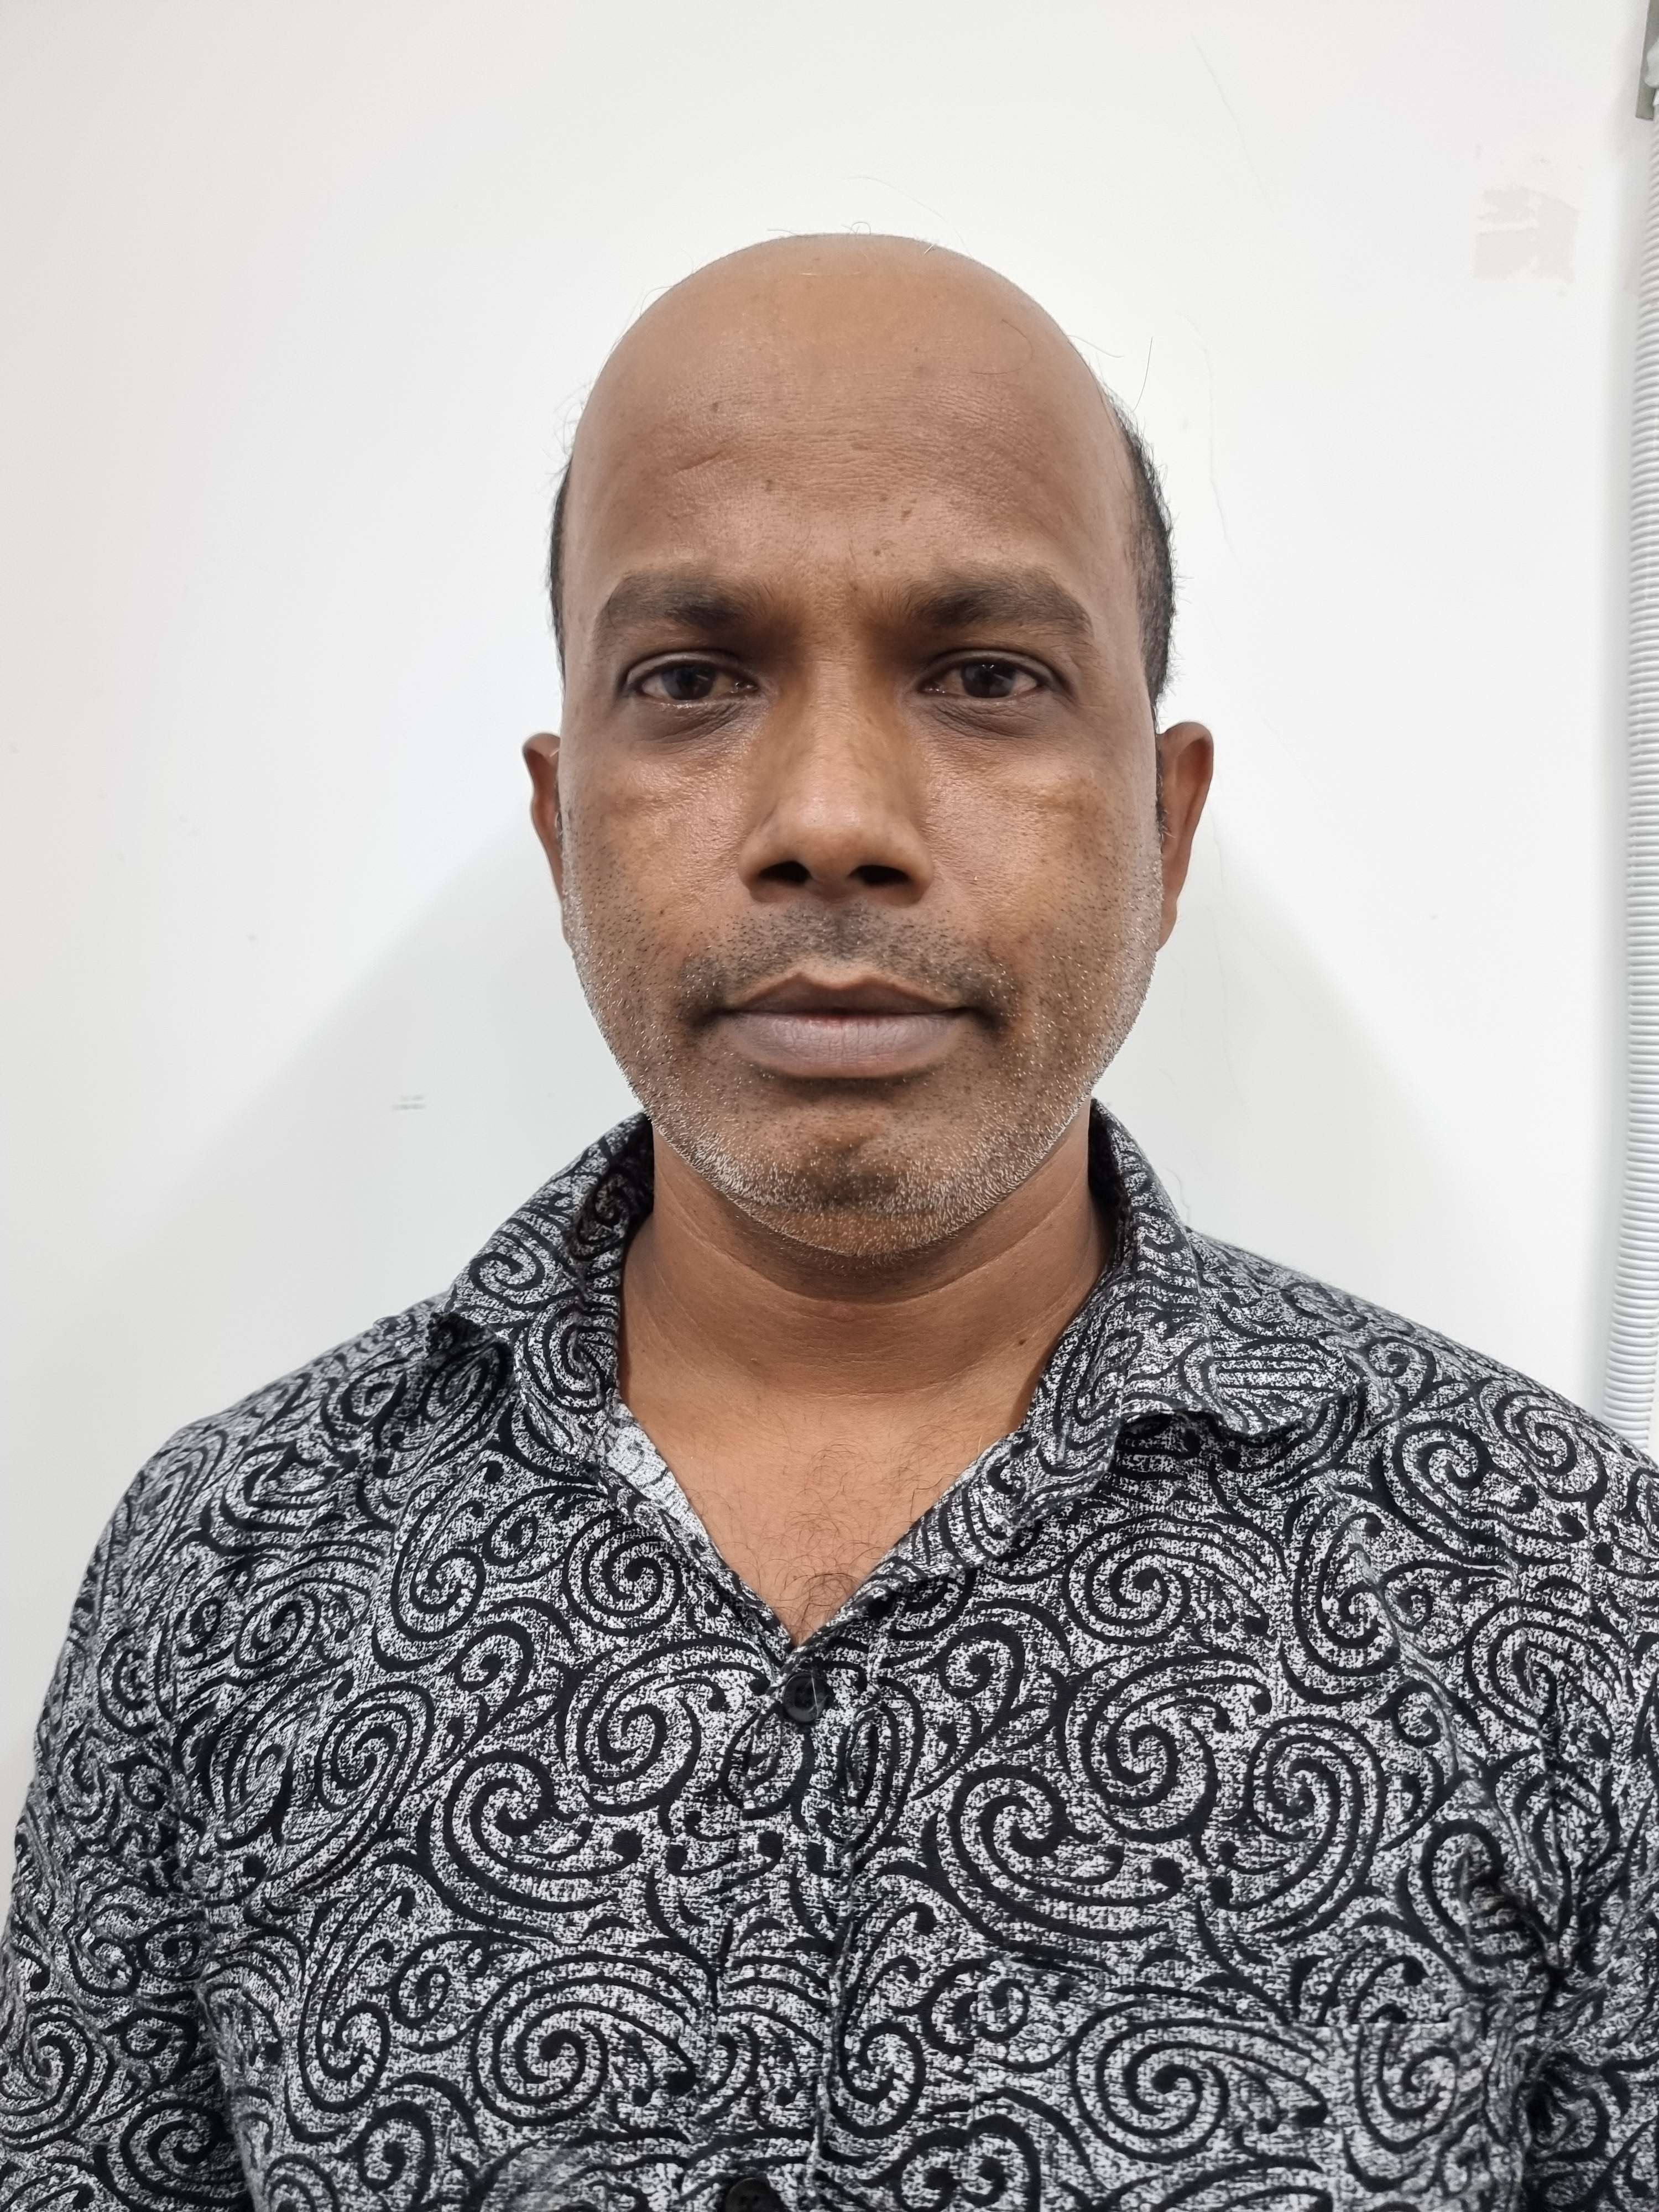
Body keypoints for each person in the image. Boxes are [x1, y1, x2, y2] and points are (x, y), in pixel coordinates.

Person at [1, 234, 1655, 2212]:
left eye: (986, 676)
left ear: (1167, 823)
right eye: (694, 680)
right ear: (560, 822)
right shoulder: (223, 1571)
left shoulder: (1565, 1585)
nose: (833, 818)